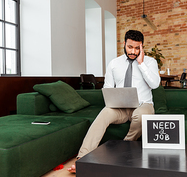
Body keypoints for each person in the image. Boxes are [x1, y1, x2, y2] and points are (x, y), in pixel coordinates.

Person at [67, 30, 160, 173]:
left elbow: (155, 84)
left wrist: (141, 64)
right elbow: (108, 87)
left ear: (142, 47)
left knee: (141, 116)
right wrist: (113, 101)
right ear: (124, 44)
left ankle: (124, 146)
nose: (133, 51)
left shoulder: (150, 62)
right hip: (121, 107)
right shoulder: (114, 63)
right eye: (130, 47)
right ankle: (82, 158)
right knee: (104, 114)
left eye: (137, 48)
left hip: (143, 105)